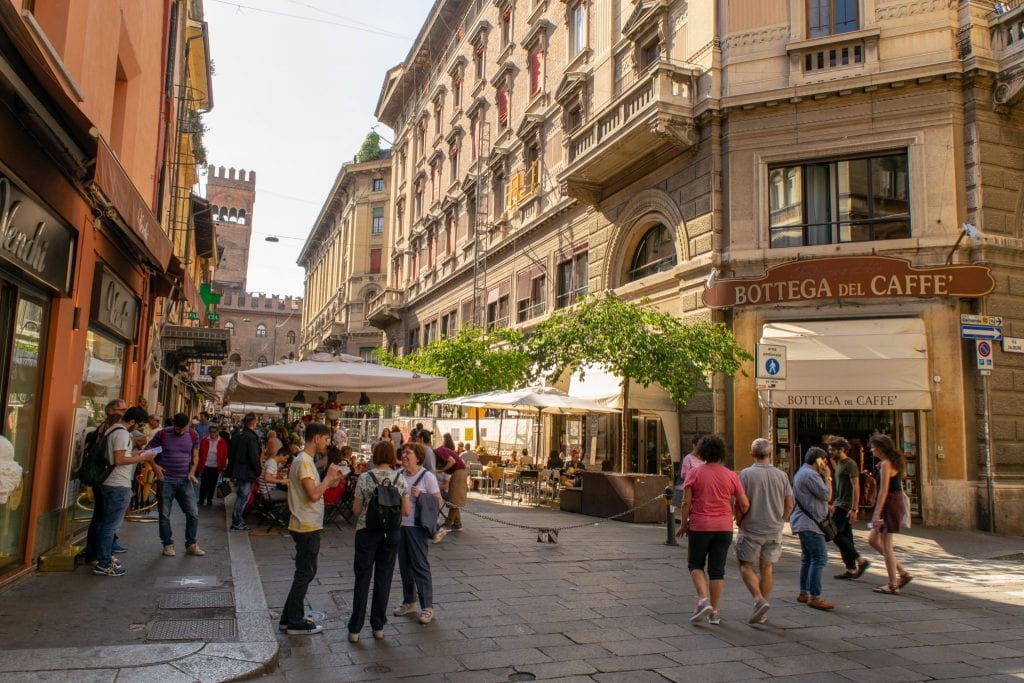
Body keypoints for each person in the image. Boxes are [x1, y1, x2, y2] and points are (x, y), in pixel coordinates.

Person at [676, 434, 749, 625]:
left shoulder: (695, 473)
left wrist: (684, 524)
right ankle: (715, 612)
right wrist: (736, 515)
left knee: (696, 564)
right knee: (717, 570)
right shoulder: (731, 475)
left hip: (700, 526)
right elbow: (744, 503)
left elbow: (686, 503)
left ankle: (702, 600)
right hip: (724, 527)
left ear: (702, 453)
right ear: (722, 453)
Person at [279, 422, 344, 635]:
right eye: (326, 439)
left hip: (306, 522)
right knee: (305, 572)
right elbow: (314, 494)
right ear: (316, 438)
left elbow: (318, 490)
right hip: (306, 524)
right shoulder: (305, 463)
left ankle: (288, 618)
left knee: (305, 571)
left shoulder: (305, 461)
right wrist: (326, 480)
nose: (327, 443)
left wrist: (333, 479)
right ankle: (295, 621)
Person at [347, 440, 410, 642]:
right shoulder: (400, 478)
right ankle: (378, 627)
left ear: (374, 455)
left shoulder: (365, 478)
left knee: (362, 578)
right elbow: (407, 511)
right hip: (391, 533)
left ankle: (355, 629)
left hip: (367, 532)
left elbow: (356, 511)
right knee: (384, 578)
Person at [86, 407, 157, 576]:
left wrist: (137, 452)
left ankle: (100, 557)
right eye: (138, 425)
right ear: (132, 421)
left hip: (109, 483)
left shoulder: (113, 430)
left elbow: (119, 455)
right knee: (110, 526)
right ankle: (104, 562)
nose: (138, 429)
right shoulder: (122, 433)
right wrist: (142, 457)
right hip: (117, 484)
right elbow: (119, 459)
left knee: (103, 523)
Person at [736, 438, 793, 624]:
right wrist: (781, 520)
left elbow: (741, 503)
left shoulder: (745, 474)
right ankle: (762, 608)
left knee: (745, 565)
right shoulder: (781, 475)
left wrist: (738, 520)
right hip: (773, 529)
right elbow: (790, 504)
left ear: (752, 454)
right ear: (770, 454)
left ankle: (759, 600)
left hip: (752, 527)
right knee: (767, 567)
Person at [393, 442, 442, 624]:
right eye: (403, 452)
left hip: (417, 527)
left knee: (420, 566)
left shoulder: (426, 476)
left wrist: (420, 495)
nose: (404, 456)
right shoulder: (398, 474)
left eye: (408, 453)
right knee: (404, 566)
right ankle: (409, 601)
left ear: (418, 457)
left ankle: (427, 606)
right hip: (400, 526)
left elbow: (438, 502)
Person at [148, 412, 203, 557]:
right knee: (164, 515)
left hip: (184, 480)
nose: (180, 432)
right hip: (166, 480)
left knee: (193, 513)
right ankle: (167, 544)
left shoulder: (192, 434)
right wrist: (155, 467)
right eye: (177, 429)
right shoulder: (163, 435)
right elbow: (149, 452)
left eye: (182, 429)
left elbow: (195, 455)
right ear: (173, 425)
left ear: (187, 425)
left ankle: (191, 544)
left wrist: (192, 472)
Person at [867, 434, 913, 595]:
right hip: (893, 501)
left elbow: (884, 490)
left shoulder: (886, 464)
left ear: (879, 448)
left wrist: (876, 513)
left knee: (887, 546)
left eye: (872, 447)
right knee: (873, 540)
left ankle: (893, 584)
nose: (871, 450)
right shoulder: (888, 463)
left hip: (890, 504)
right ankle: (903, 573)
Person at [791, 447, 835, 610]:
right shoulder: (810, 474)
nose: (825, 463)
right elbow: (826, 495)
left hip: (805, 521)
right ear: (818, 460)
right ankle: (815, 596)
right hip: (810, 524)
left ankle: (804, 592)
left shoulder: (803, 472)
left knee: (807, 557)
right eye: (824, 460)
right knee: (819, 557)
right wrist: (828, 477)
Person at [829, 437, 871, 580]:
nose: (830, 452)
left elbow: (856, 486)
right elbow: (839, 483)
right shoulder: (839, 463)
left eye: (832, 449)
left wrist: (854, 509)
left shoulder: (851, 464)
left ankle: (860, 560)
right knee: (846, 537)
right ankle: (851, 569)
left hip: (845, 506)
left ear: (841, 450)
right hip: (839, 503)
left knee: (833, 533)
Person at [227, 413, 262, 531]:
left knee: (240, 497)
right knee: (242, 498)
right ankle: (236, 521)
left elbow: (230, 453)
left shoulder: (238, 435)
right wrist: (258, 471)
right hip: (247, 472)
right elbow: (253, 457)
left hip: (238, 471)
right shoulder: (251, 437)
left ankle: (238, 520)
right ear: (254, 423)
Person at [437, 433, 467, 532]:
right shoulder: (441, 450)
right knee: (454, 499)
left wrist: (441, 470)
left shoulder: (440, 450)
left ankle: (448, 524)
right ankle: (457, 524)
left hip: (458, 471)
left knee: (454, 500)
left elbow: (452, 461)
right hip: (460, 471)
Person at [197, 427, 228, 506]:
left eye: (214, 432)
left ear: (218, 432)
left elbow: (224, 455)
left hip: (216, 466)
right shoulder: (204, 440)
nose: (212, 433)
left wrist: (223, 466)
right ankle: (201, 499)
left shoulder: (222, 442)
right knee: (204, 483)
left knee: (212, 484)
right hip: (206, 465)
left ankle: (209, 499)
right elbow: (200, 453)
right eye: (211, 432)